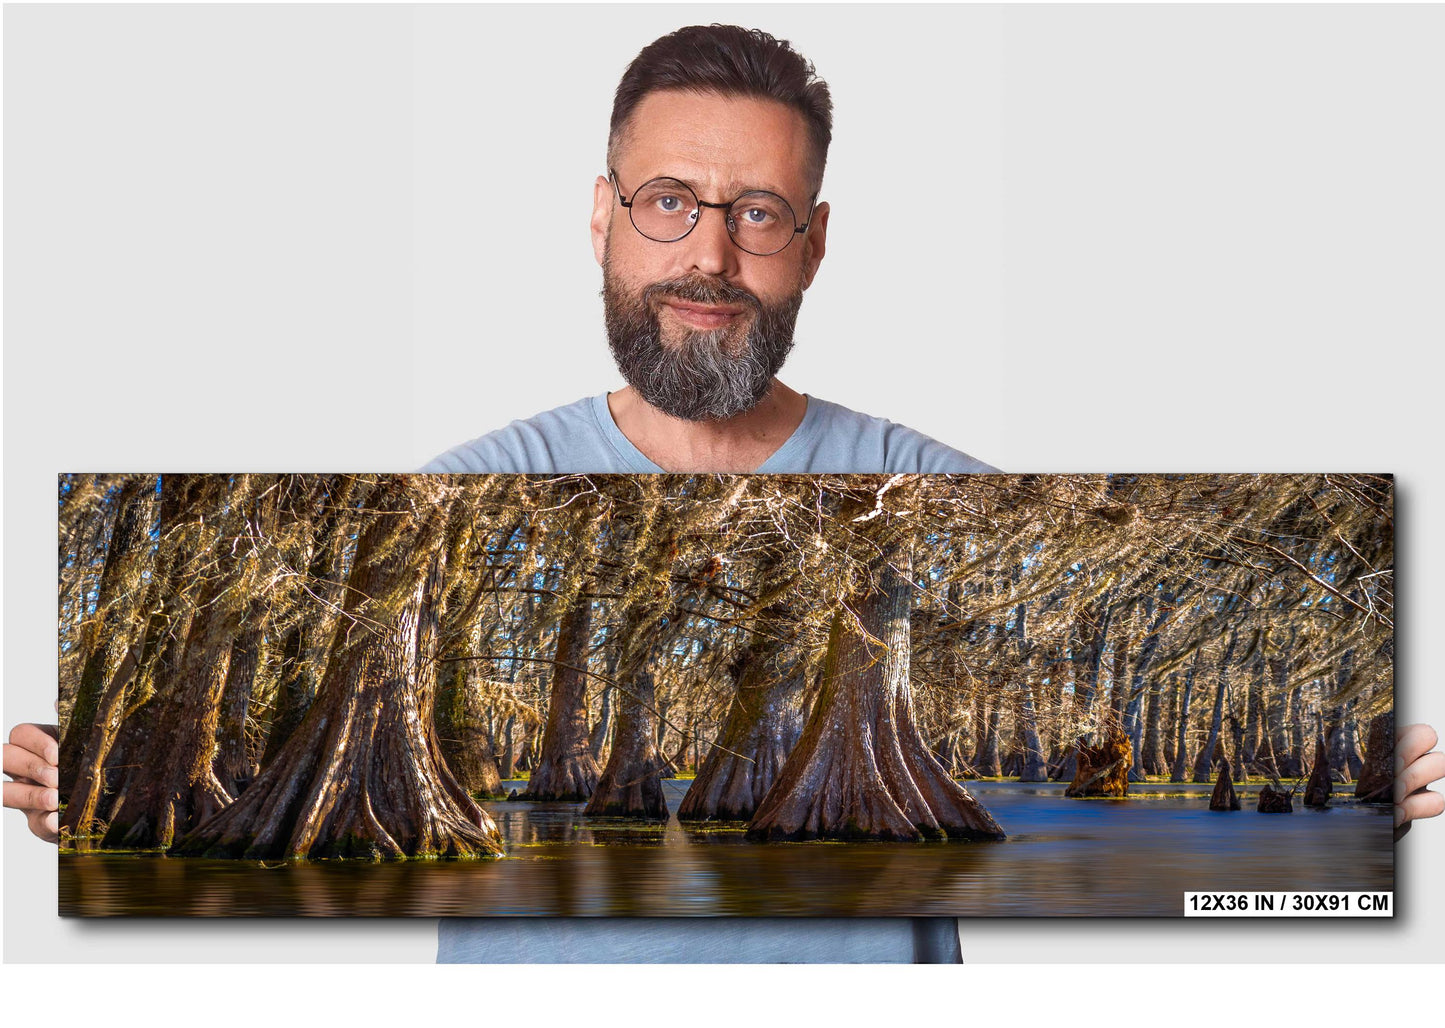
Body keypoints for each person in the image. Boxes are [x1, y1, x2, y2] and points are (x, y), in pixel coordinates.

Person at [8, 23, 1443, 963]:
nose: (710, 253)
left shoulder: (939, 495)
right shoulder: (447, 499)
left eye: (756, 213)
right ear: (602, 215)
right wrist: (104, 773)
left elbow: (1110, 703)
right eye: (669, 201)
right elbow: (278, 738)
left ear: (811, 243)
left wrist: (1384, 759)